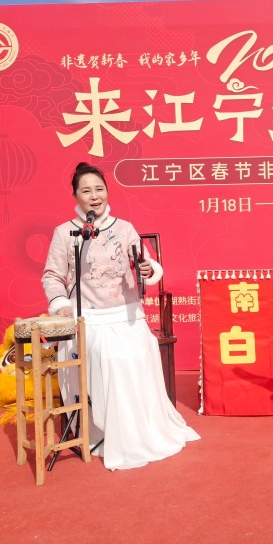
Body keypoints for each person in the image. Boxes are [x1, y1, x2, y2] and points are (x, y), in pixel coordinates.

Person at [42, 162, 199, 470]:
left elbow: (145, 262)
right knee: (109, 357)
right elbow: (52, 275)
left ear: (107, 192)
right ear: (75, 196)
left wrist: (147, 268)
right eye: (86, 191)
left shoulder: (124, 228)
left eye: (99, 189)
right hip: (88, 319)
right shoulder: (65, 233)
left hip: (126, 316)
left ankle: (138, 430)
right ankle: (103, 430)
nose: (94, 196)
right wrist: (60, 304)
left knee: (136, 353)